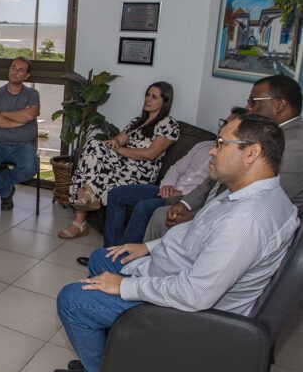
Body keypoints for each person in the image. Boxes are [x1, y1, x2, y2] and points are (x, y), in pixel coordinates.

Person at [52, 114, 299, 372]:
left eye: (221, 143)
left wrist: (125, 286)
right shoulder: (254, 194)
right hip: (175, 272)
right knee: (103, 258)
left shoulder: (247, 220)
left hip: (186, 312)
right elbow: (197, 231)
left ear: (252, 153)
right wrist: (149, 247)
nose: (212, 150)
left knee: (72, 299)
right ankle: (115, 350)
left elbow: (195, 294)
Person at [144, 75, 303, 241]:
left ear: (279, 104)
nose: (248, 108)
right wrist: (186, 203)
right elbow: (217, 174)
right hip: (218, 206)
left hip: (242, 226)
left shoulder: (295, 147)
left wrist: (197, 216)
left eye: (253, 101)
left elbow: (261, 203)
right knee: (160, 216)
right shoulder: (264, 132)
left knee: (161, 220)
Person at [101, 107, 245, 247]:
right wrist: (167, 185)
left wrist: (181, 194)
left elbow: (208, 191)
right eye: (223, 122)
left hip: (185, 198)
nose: (222, 127)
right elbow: (176, 168)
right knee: (117, 194)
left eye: (227, 124)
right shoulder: (203, 146)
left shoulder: (230, 161)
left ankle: (121, 257)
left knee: (143, 208)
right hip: (168, 189)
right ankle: (110, 249)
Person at [58, 82, 179, 239]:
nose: (148, 99)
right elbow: (118, 140)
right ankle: (87, 195)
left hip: (141, 173)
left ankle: (80, 218)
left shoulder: (168, 124)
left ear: (165, 102)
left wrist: (118, 149)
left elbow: (151, 154)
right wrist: (114, 143)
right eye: (147, 95)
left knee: (94, 159)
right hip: (123, 165)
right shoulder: (138, 122)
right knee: (95, 144)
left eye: (154, 97)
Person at [0, 57, 40, 211]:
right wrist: (19, 120)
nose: (15, 72)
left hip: (24, 145)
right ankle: (6, 191)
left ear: (27, 76)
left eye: (20, 70)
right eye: (13, 67)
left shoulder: (32, 94)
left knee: (31, 168)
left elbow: (29, 116)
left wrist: (2, 114)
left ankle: (0, 181)